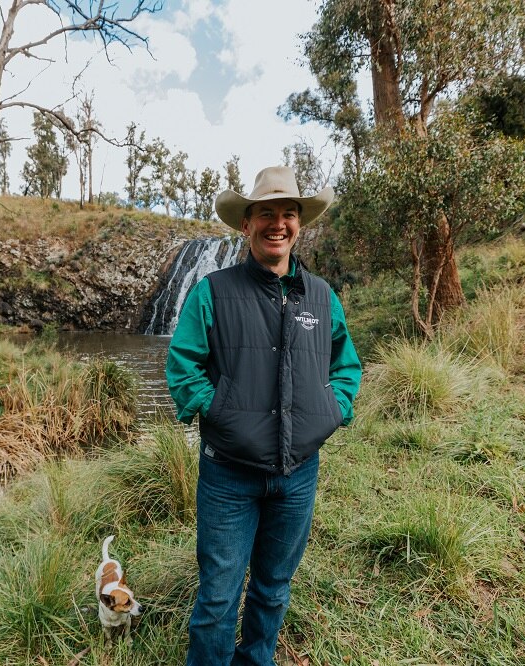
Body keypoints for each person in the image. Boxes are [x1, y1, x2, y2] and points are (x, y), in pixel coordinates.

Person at [166, 165, 362, 666]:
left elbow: (346, 365)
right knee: (217, 598)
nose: (279, 223)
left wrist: (332, 411)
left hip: (297, 475)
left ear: (300, 224)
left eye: (289, 214)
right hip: (228, 474)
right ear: (246, 224)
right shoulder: (212, 291)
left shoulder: (322, 296)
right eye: (267, 213)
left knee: (274, 588)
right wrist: (223, 414)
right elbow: (183, 367)